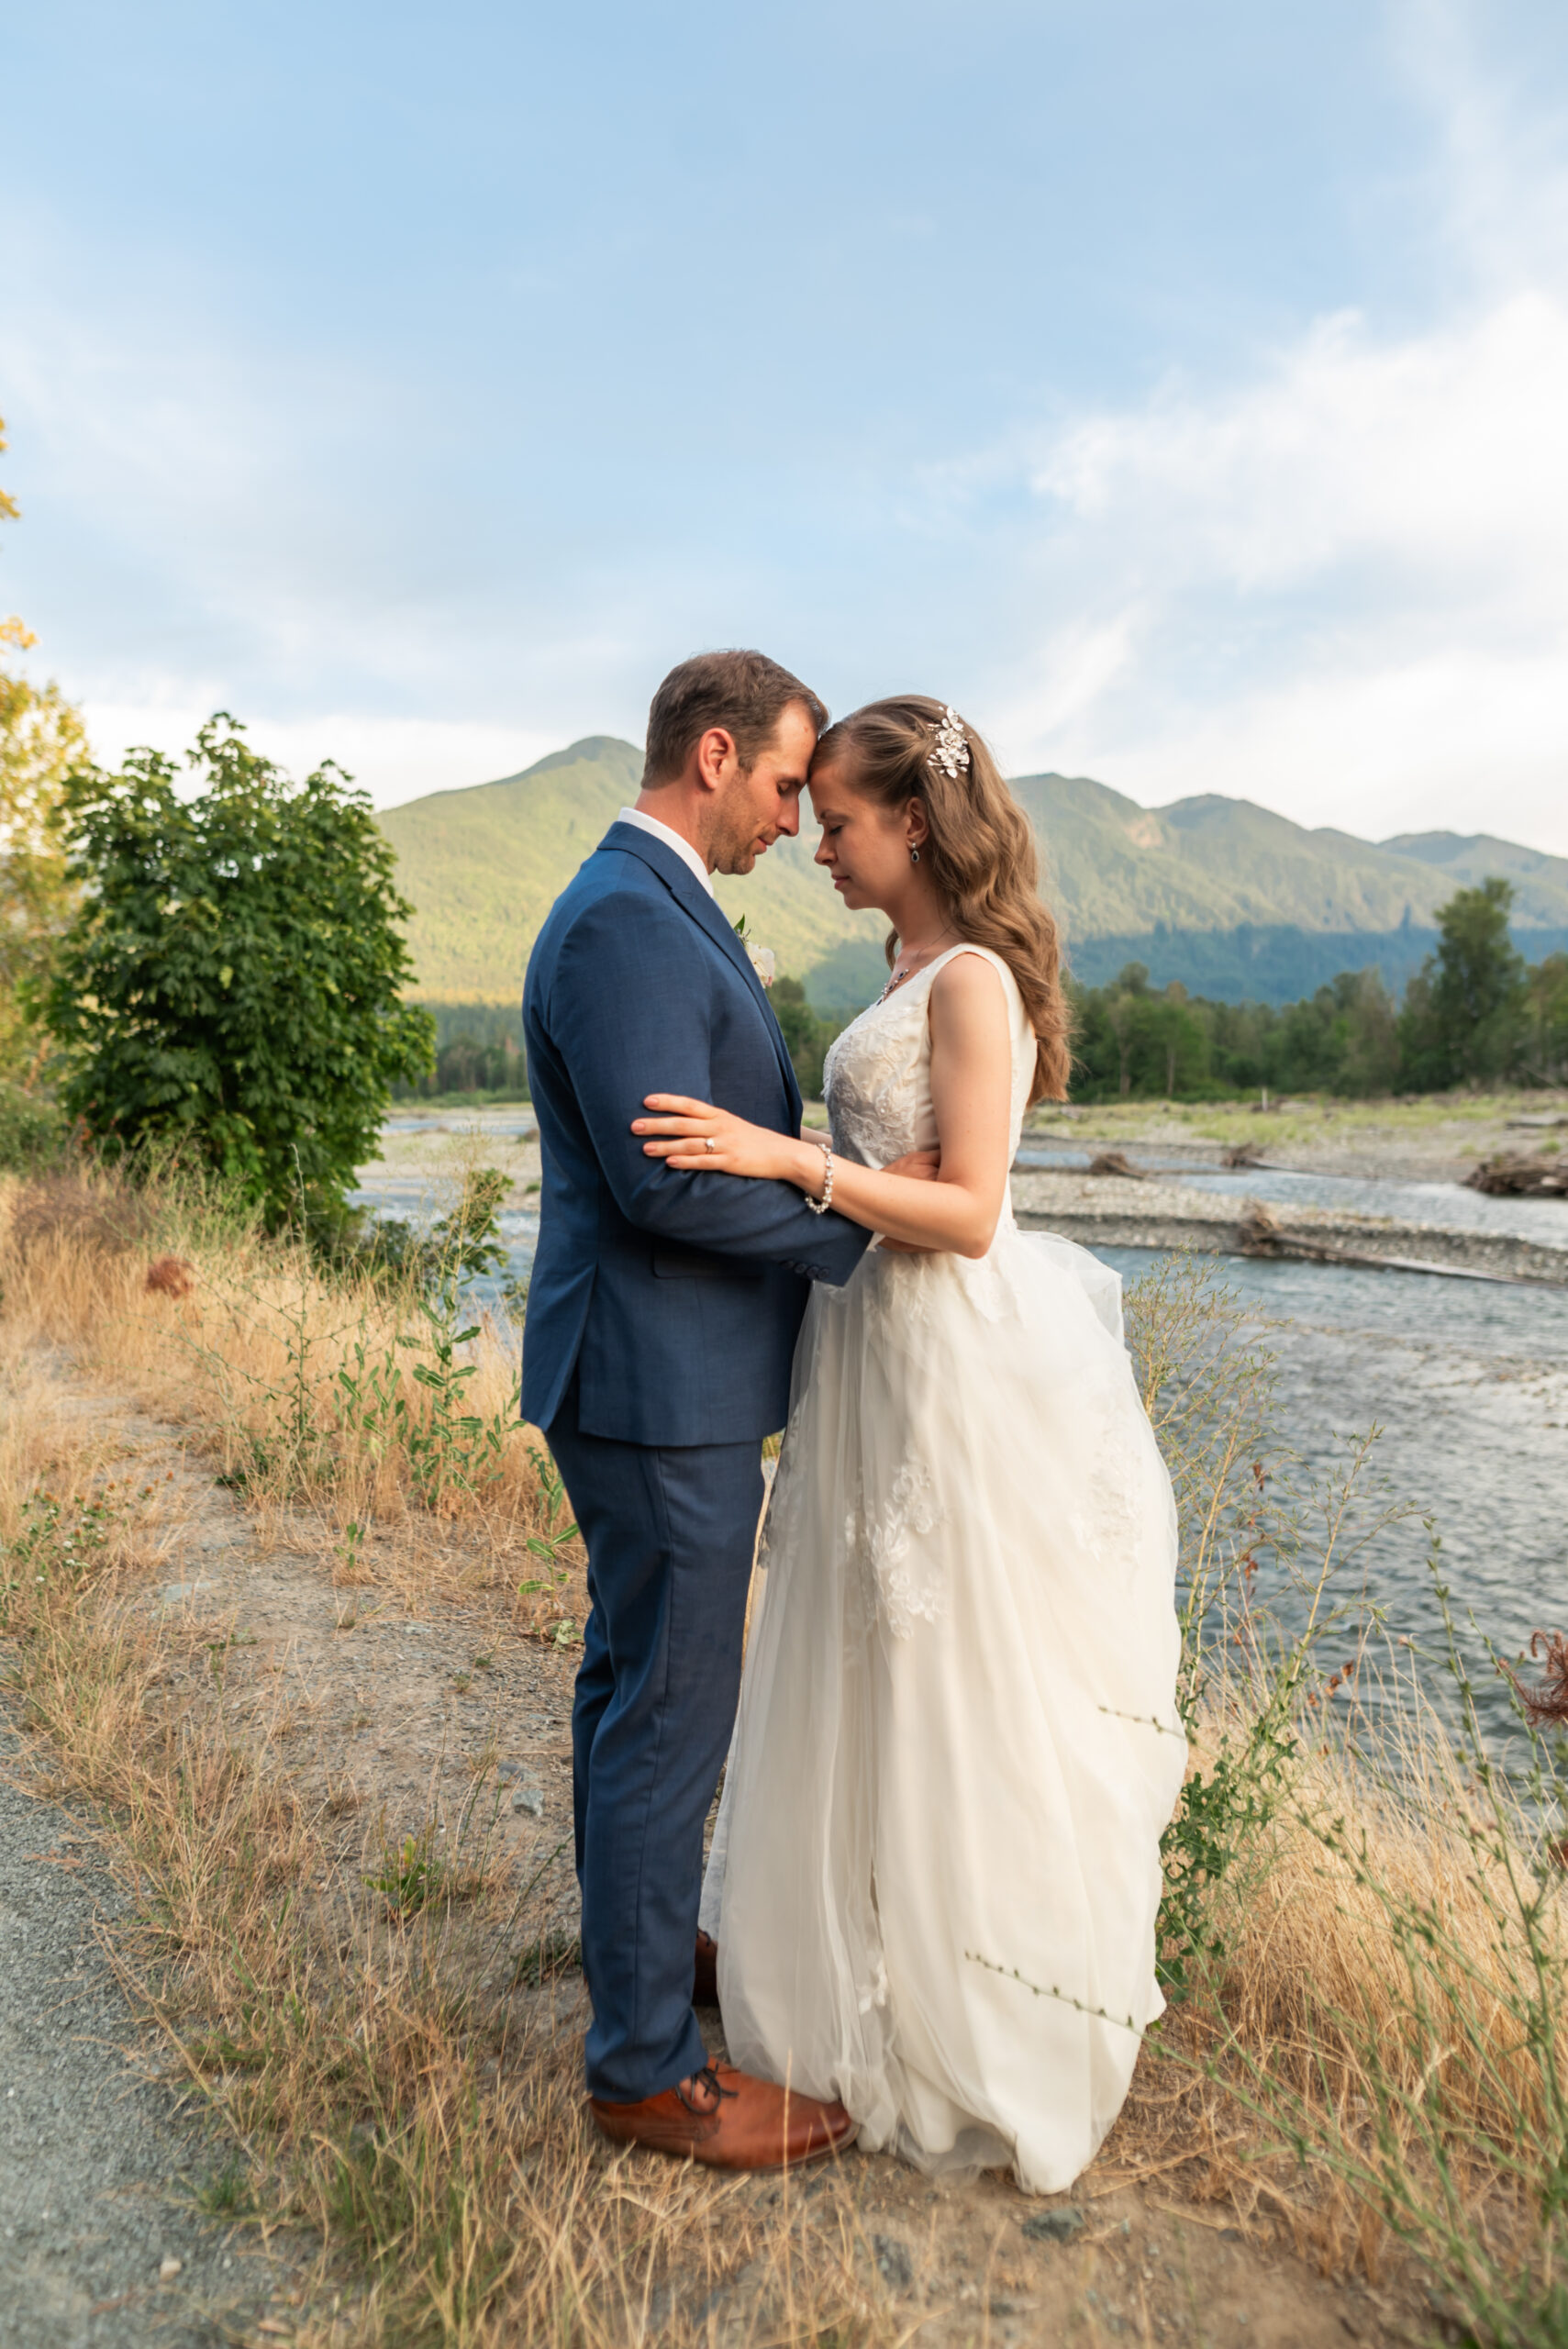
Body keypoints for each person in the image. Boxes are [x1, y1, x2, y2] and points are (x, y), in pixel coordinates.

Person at [633, 696, 1187, 2191]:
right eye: (808, 817)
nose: (817, 843)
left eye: (841, 821)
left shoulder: (977, 984)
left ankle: (967, 2012)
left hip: (949, 1354)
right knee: (856, 1653)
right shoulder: (897, 964)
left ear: (918, 824)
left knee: (955, 1665)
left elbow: (972, 1210)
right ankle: (844, 1970)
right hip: (865, 1341)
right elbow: (906, 1176)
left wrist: (787, 1159)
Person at [521, 651, 936, 2170]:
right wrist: (856, 1235)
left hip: (648, 1372)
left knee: (630, 1682)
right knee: (670, 1709)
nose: (793, 819)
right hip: (655, 1380)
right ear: (713, 756)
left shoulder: (650, 903)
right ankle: (643, 2071)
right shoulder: (629, 920)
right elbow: (657, 1178)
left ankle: (626, 1961)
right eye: (780, 785)